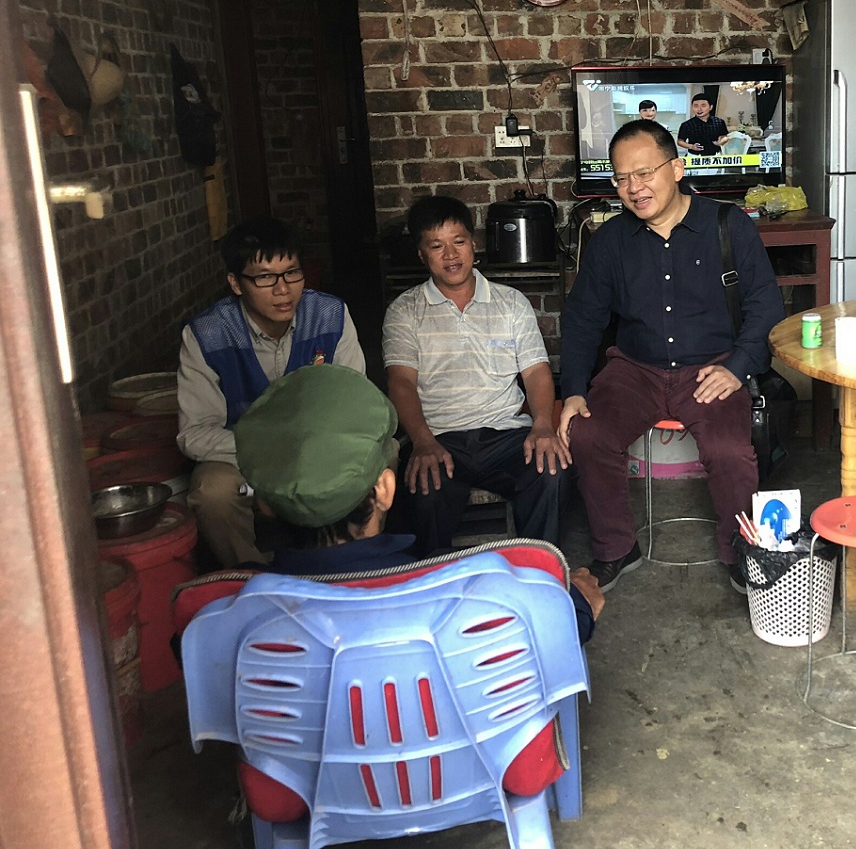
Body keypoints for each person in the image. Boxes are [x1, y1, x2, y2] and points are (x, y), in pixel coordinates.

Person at [557, 119, 785, 594]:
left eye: (644, 173)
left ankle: (740, 552)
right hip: (634, 369)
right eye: (622, 178)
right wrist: (574, 390)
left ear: (677, 168)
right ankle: (616, 548)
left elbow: (766, 306)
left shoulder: (728, 225)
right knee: (588, 434)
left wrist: (737, 368)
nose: (633, 188)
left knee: (728, 450)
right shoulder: (610, 241)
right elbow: (582, 320)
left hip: (711, 367)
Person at [232, 363, 604, 643]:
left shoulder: (230, 607)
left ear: (264, 503)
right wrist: (576, 603)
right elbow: (548, 635)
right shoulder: (454, 594)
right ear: (385, 490)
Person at [382, 195, 571, 556]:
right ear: (422, 254)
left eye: (459, 241)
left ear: (474, 243)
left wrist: (543, 424)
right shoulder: (405, 310)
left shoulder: (510, 302)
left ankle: (538, 569)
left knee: (551, 470)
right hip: (440, 437)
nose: (451, 255)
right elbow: (401, 382)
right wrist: (422, 441)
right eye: (436, 246)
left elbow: (536, 371)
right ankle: (435, 578)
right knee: (423, 487)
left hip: (505, 435)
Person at [176, 216, 365, 568]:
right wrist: (273, 455)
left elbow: (355, 405)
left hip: (320, 456)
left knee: (381, 457)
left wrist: (310, 452)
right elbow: (195, 433)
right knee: (213, 492)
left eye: (292, 273)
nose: (283, 290)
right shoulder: (207, 335)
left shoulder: (330, 315)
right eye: (265, 278)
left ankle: (340, 570)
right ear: (236, 283)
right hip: (247, 469)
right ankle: (254, 578)